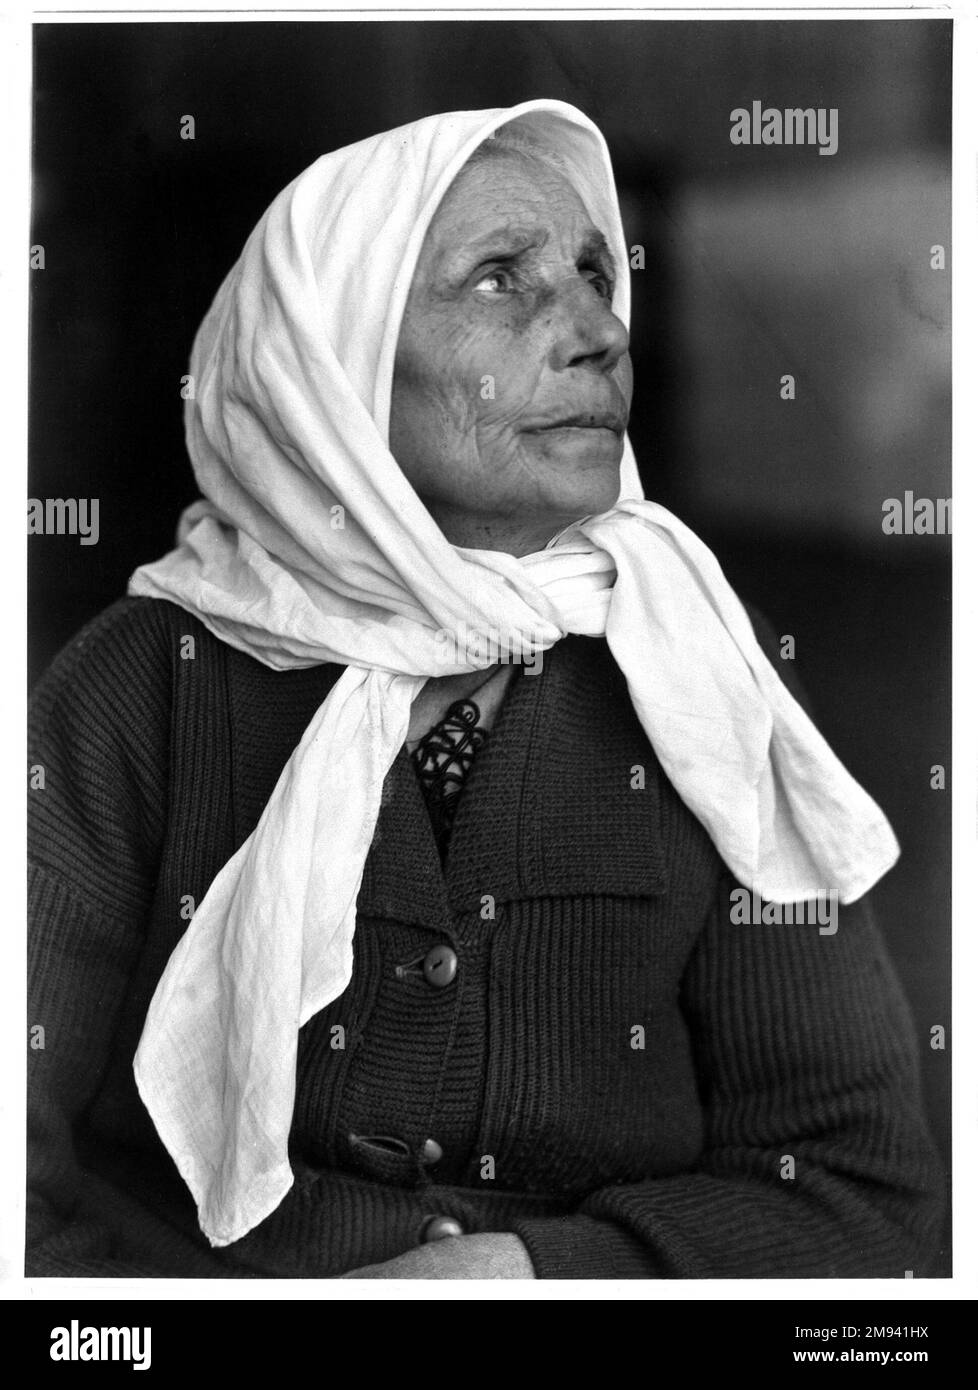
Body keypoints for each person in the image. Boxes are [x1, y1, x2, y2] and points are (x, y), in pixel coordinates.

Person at [27, 99, 943, 1280]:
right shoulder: (140, 683)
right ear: (332, 364)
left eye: (596, 272)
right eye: (501, 280)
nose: (598, 330)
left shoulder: (699, 659)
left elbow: (859, 1196)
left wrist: (533, 1274)